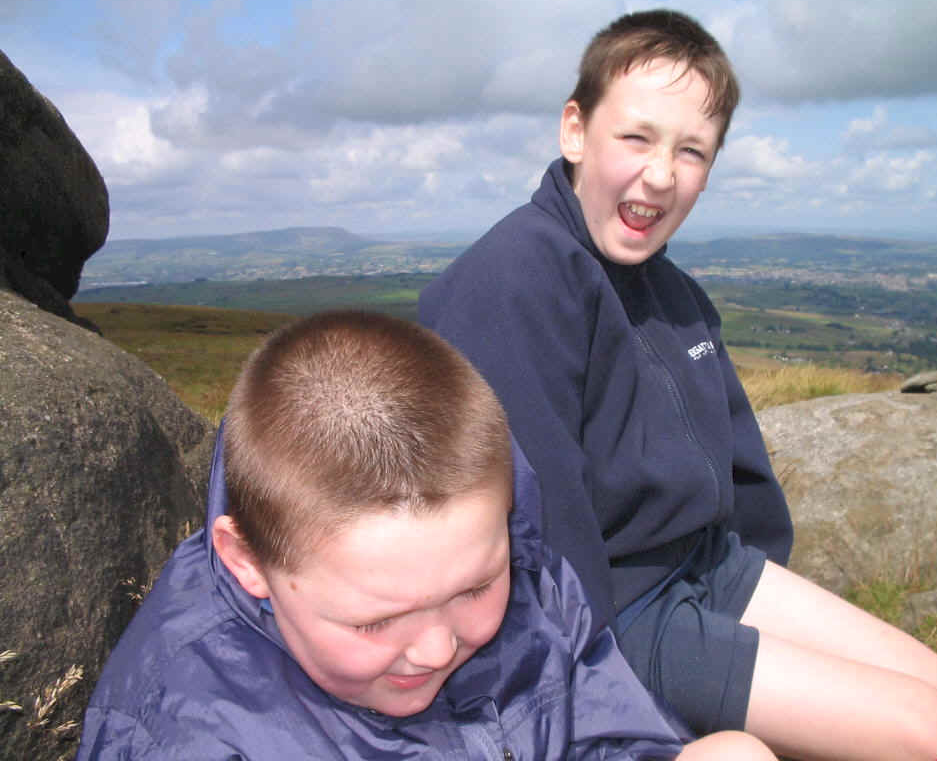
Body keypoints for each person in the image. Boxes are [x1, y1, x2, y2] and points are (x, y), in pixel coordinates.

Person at [419, 8, 937, 761]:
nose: (660, 174)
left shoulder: (672, 294)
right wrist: (601, 704)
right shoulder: (516, 280)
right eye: (636, 138)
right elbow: (535, 528)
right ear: (575, 130)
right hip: (615, 611)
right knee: (925, 731)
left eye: (692, 151)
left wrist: (753, 608)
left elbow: (737, 464)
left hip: (707, 568)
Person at [76, 309, 776, 760]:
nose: (439, 646)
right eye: (378, 621)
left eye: (475, 587)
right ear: (247, 562)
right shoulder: (184, 734)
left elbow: (609, 731)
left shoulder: (524, 568)